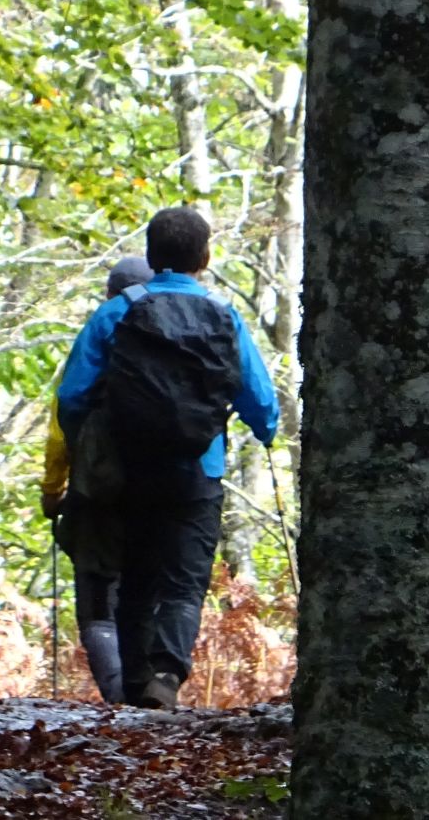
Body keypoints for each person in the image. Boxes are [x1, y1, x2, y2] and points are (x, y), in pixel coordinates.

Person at [55, 207, 277, 709]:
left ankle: (135, 685)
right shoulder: (224, 314)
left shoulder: (116, 312)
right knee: (184, 582)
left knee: (135, 577)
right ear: (205, 257)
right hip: (199, 468)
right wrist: (266, 431)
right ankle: (166, 674)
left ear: (151, 257)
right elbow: (259, 398)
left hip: (127, 468)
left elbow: (71, 395)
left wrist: (86, 445)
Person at [40, 255, 153, 704]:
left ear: (110, 293)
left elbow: (64, 415)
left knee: (98, 599)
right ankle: (152, 689)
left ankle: (119, 695)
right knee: (149, 589)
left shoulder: (101, 330)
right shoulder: (180, 336)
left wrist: (53, 490)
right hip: (169, 487)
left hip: (98, 486)